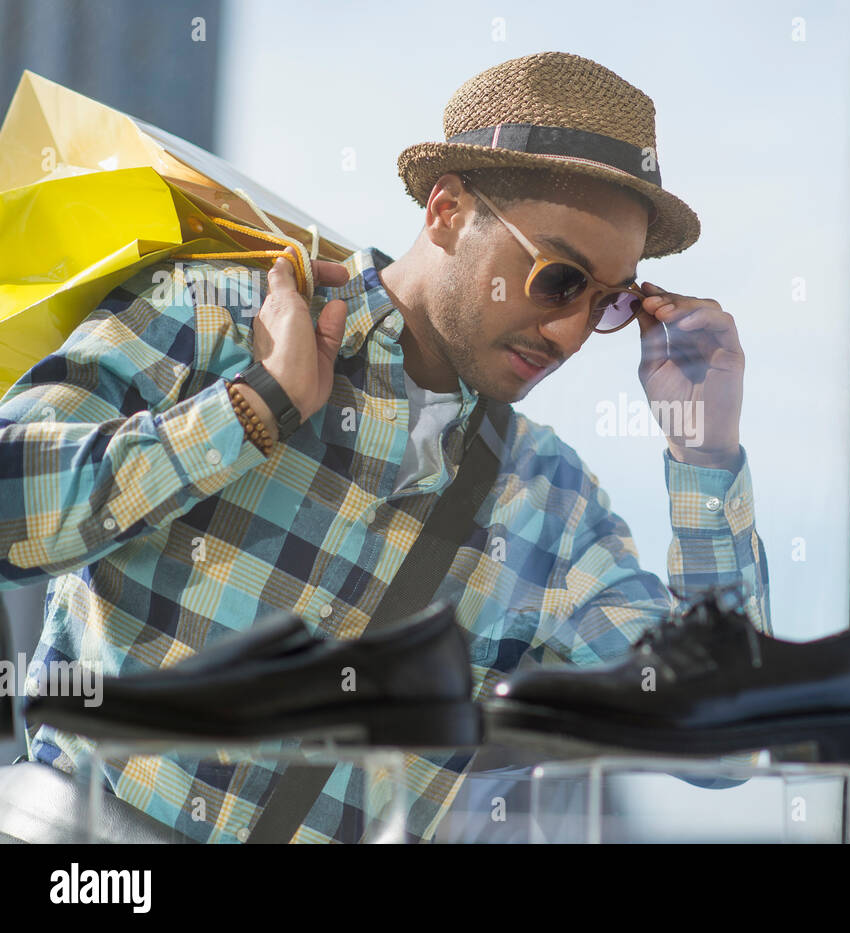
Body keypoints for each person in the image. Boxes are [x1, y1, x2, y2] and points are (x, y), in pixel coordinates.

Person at [0, 51, 771, 842]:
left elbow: (726, 737)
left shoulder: (552, 506)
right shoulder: (216, 312)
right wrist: (251, 410)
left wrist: (703, 456)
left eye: (607, 304)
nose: (571, 332)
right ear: (445, 209)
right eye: (560, 278)